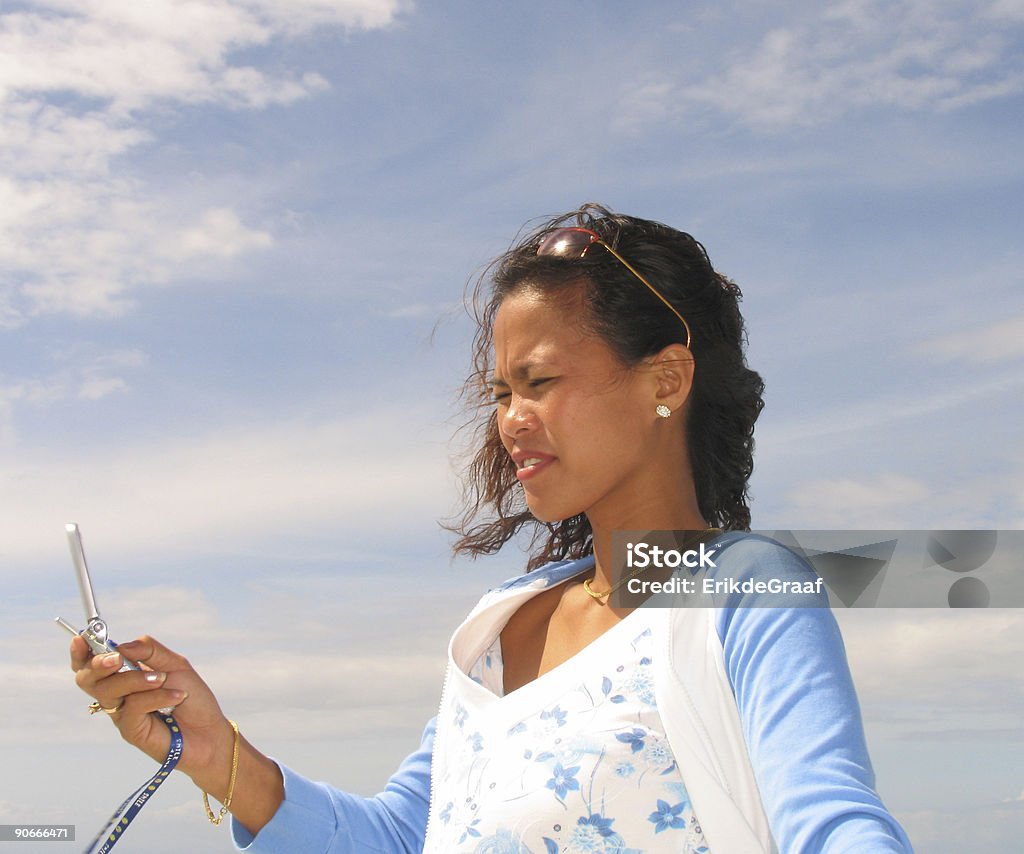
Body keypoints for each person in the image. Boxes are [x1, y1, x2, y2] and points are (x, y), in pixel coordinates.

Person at [71, 204, 914, 853]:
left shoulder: (743, 584)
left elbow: (831, 816)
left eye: (539, 381)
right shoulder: (501, 624)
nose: (511, 420)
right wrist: (214, 750)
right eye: (501, 393)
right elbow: (406, 837)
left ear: (666, 377)